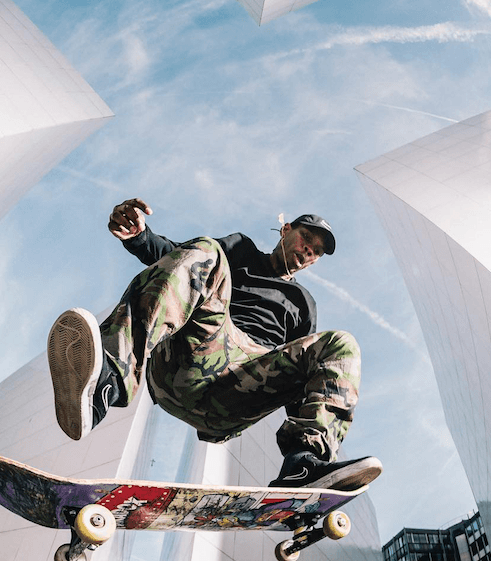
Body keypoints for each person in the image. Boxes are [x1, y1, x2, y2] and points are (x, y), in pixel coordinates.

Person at [46, 197, 381, 491]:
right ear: (286, 229)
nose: (308, 250)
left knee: (342, 344)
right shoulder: (239, 250)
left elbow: (300, 385)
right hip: (192, 356)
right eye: (306, 238)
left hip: (240, 392)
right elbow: (178, 259)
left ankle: (304, 467)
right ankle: (106, 382)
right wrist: (140, 238)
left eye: (316, 251)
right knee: (207, 250)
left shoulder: (304, 305)